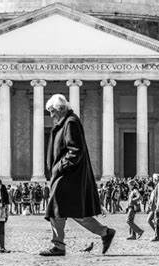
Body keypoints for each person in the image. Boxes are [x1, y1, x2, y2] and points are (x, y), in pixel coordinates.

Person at [39, 94, 115, 256]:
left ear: (60, 109)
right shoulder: (66, 122)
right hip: (66, 176)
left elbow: (76, 150)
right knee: (63, 211)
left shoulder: (71, 123)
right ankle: (103, 233)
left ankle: (60, 245)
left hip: (69, 177)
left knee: (63, 210)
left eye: (52, 111)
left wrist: (59, 168)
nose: (50, 115)